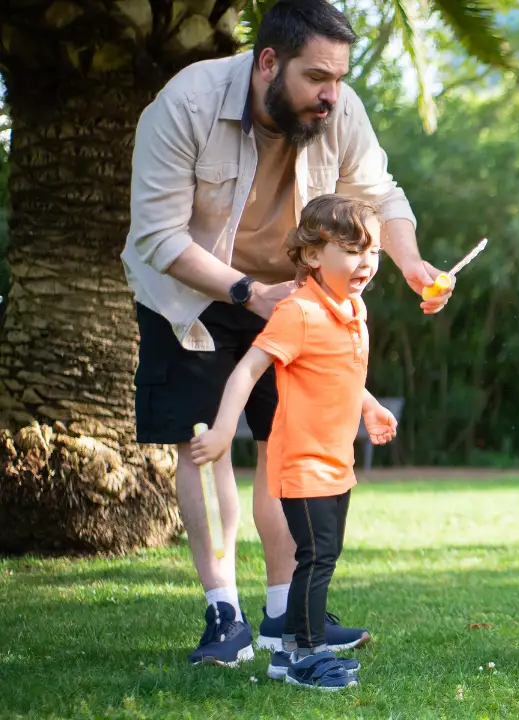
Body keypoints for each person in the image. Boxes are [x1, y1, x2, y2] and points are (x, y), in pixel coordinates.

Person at [121, 0, 451, 666]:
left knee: (283, 449)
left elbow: (379, 197)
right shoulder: (184, 105)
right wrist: (247, 292)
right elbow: (158, 234)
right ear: (269, 62)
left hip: (294, 297)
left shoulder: (341, 110)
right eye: (316, 78)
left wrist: (412, 263)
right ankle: (224, 614)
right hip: (190, 295)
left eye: (339, 78)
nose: (332, 95)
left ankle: (283, 614)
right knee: (200, 446)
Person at [191, 194, 395, 689]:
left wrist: (369, 406)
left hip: (336, 461)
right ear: (311, 256)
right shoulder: (298, 312)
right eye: (351, 249)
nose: (365, 261)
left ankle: (290, 654)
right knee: (316, 558)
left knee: (325, 556)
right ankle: (304, 654)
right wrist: (221, 431)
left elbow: (340, 370)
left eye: (372, 251)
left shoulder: (353, 307)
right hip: (301, 463)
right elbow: (247, 370)